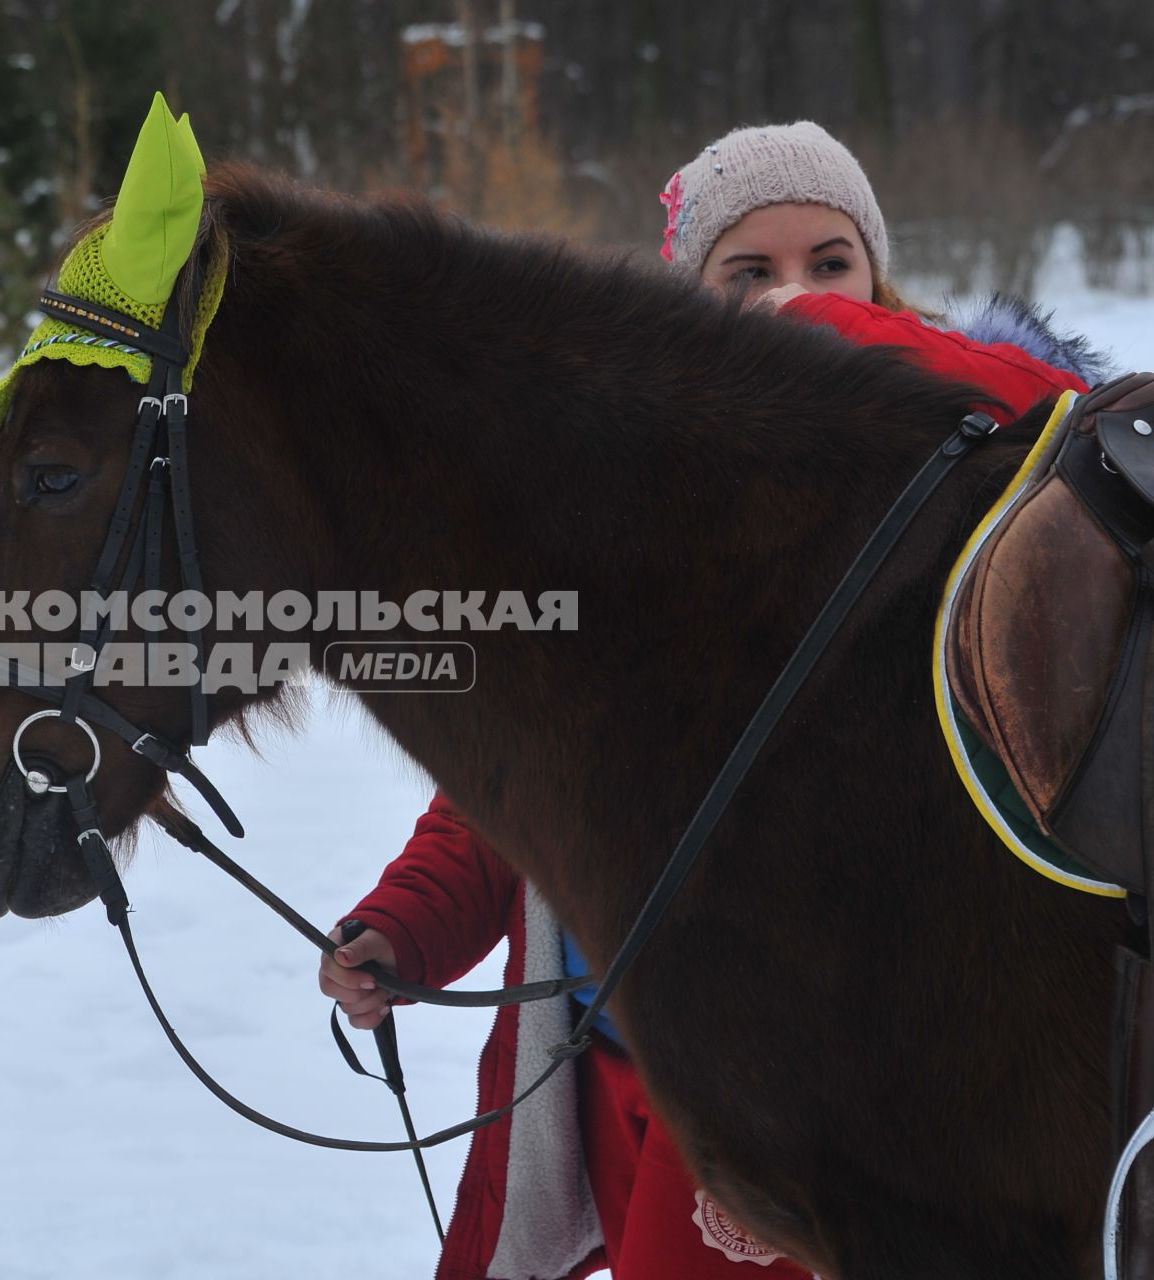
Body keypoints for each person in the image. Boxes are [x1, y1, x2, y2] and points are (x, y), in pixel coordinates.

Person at [321, 120, 1109, 1280]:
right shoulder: (613, 515)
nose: (795, 295)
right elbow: (514, 773)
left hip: (814, 1077)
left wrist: (843, 345)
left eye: (829, 263)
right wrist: (411, 919)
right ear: (688, 307)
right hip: (614, 1061)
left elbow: (1063, 402)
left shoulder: (964, 473)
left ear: (878, 277)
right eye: (751, 271)